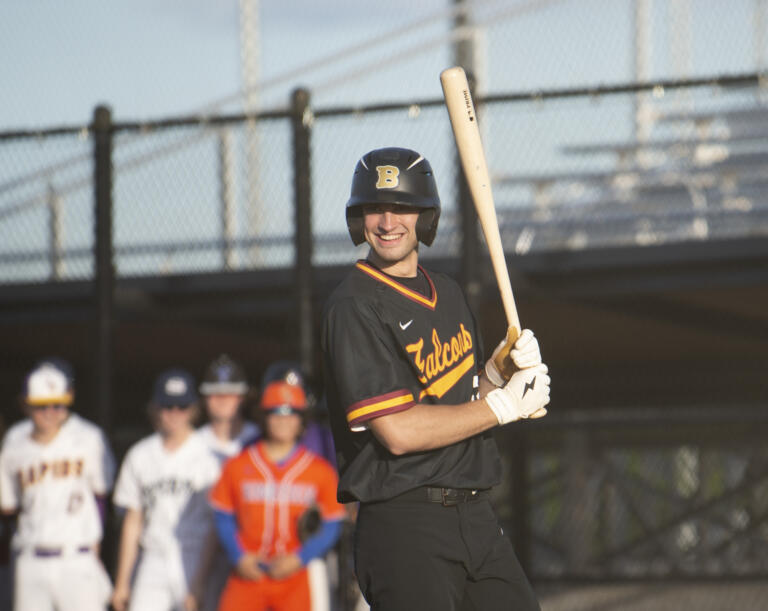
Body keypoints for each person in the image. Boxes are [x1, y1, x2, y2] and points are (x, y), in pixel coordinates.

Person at [320, 147, 551, 610]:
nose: (388, 223)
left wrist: (495, 374)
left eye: (402, 208)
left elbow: (459, 401)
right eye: (375, 209)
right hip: (404, 522)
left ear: (424, 217)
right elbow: (398, 431)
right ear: (357, 218)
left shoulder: (446, 292)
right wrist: (503, 406)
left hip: (476, 514)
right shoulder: (354, 305)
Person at [209, 379, 346, 611]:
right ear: (264, 418)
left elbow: (332, 524)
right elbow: (223, 516)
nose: (284, 421)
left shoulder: (320, 471)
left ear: (302, 420)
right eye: (276, 413)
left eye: (291, 414)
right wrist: (238, 556)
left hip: (295, 573)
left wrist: (300, 558)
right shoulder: (238, 465)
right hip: (248, 572)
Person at [0, 358, 114, 611]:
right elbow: (9, 507)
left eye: (58, 406)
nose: (51, 413)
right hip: (31, 557)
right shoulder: (14, 442)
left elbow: (100, 496)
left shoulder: (89, 437)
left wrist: (95, 550)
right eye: (42, 407)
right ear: (26, 405)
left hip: (77, 555)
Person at [111, 368, 220, 611]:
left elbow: (216, 524)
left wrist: (200, 581)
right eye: (166, 406)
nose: (173, 414)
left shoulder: (209, 455)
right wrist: (122, 582)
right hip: (154, 555)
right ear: (155, 408)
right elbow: (133, 520)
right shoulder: (140, 454)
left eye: (181, 407)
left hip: (195, 554)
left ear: (193, 409)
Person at [196, 354, 259, 611]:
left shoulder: (258, 439)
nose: (222, 400)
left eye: (230, 393)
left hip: (250, 549)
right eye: (214, 393)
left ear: (242, 397)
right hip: (200, 548)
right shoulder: (192, 443)